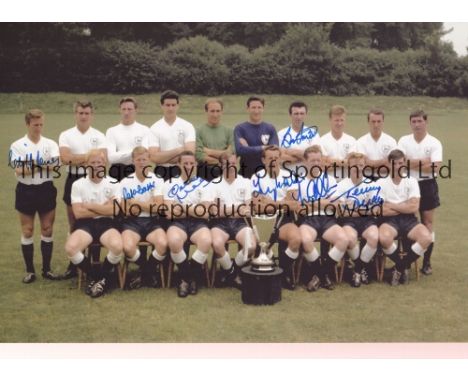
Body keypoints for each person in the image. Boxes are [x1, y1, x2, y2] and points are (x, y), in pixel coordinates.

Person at [9, 109, 61, 283]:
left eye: (41, 124)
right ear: (27, 124)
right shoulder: (17, 145)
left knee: (47, 228)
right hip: (26, 190)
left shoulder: (50, 144)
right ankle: (30, 271)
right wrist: (42, 163)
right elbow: (19, 170)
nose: (38, 128)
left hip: (45, 188)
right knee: (28, 230)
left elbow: (55, 167)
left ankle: (47, 269)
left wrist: (33, 164)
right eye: (35, 125)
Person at [59, 100, 108, 279]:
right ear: (75, 114)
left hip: (96, 179)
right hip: (73, 179)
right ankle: (74, 264)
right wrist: (90, 157)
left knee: (96, 216)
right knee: (75, 222)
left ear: (91, 115)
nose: (84, 116)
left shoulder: (99, 135)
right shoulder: (66, 135)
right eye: (80, 113)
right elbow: (65, 159)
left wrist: (79, 158)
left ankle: (94, 261)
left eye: (87, 113)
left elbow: (104, 159)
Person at [64, 149, 123, 298]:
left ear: (105, 164)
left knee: (117, 246)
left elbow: (115, 211)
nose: (96, 165)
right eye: (92, 162)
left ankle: (100, 277)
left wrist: (90, 206)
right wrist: (105, 207)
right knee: (71, 248)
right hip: (85, 224)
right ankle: (100, 277)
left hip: (107, 223)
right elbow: (78, 213)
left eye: (99, 162)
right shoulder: (78, 184)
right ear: (85, 165)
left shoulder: (114, 183)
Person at [290, 145, 349, 291]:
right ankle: (324, 276)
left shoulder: (330, 180)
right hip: (308, 219)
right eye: (312, 161)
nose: (316, 164)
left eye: (318, 160)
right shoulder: (299, 181)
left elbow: (334, 206)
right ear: (305, 162)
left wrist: (312, 203)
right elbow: (300, 208)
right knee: (305, 240)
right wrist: (323, 202)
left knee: (343, 239)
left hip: (328, 219)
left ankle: (320, 274)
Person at [376, 149, 432, 286]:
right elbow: (380, 210)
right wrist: (403, 205)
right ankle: (403, 267)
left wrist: (392, 205)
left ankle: (399, 268)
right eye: (394, 163)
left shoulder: (411, 181)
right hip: (389, 221)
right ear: (389, 164)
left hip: (409, 219)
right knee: (384, 238)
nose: (398, 166)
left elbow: (414, 207)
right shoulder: (381, 183)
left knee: (426, 237)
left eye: (401, 163)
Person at [398, 110, 442, 276]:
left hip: (427, 185)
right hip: (407, 185)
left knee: (427, 223)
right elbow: (399, 165)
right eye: (414, 121)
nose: (417, 124)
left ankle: (427, 262)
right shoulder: (403, 140)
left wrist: (410, 163)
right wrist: (424, 161)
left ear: (426, 122)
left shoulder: (434, 142)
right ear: (410, 123)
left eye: (419, 121)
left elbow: (435, 167)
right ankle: (409, 261)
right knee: (407, 221)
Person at [162, 151, 212, 297]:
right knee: (174, 241)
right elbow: (170, 213)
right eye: (185, 163)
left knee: (206, 240)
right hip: (178, 223)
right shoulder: (170, 184)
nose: (188, 166)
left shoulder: (204, 184)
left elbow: (205, 213)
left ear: (196, 164)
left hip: (198, 223)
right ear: (179, 164)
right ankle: (189, 278)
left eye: (191, 163)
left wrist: (182, 207)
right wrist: (194, 209)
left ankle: (186, 278)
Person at [251, 145, 301, 290]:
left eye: (276, 157)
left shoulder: (289, 176)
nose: (273, 161)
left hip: (284, 219)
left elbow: (293, 205)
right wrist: (282, 203)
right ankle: (249, 273)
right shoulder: (256, 177)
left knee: (296, 239)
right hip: (263, 220)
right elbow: (258, 207)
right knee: (252, 244)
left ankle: (283, 272)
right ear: (263, 160)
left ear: (280, 158)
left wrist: (269, 202)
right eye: (270, 158)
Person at [117, 147, 167, 289]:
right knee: (127, 247)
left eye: (144, 159)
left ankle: (144, 273)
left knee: (163, 244)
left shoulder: (157, 180)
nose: (142, 162)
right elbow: (125, 210)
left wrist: (135, 202)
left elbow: (158, 207)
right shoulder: (126, 182)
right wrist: (147, 204)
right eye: (138, 160)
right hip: (131, 222)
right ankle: (149, 271)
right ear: (133, 161)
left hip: (152, 221)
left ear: (149, 160)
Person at [332, 152, 380, 287]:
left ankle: (357, 270)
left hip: (368, 220)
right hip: (348, 221)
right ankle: (362, 269)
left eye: (361, 165)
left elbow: (376, 209)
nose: (358, 168)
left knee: (374, 237)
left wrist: (353, 208)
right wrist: (363, 208)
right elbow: (341, 211)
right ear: (349, 167)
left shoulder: (370, 184)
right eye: (355, 166)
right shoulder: (341, 185)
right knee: (351, 239)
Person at [209, 153, 256, 288]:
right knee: (217, 244)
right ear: (221, 165)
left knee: (251, 246)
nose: (230, 167)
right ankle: (233, 274)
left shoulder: (245, 182)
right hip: (220, 223)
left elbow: (248, 210)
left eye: (233, 164)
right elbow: (215, 213)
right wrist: (237, 207)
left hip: (241, 222)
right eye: (227, 164)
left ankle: (230, 269)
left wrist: (228, 210)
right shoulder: (214, 184)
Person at [149, 90, 196, 181]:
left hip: (182, 171)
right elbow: (154, 157)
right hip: (161, 172)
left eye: (173, 105)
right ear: (162, 106)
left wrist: (163, 157)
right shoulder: (154, 128)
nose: (170, 108)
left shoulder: (187, 126)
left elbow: (190, 154)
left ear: (178, 106)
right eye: (167, 105)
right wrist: (180, 150)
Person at [106, 97, 152, 182]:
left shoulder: (145, 130)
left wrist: (120, 155)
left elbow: (144, 154)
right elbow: (111, 158)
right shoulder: (111, 131)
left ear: (136, 110)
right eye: (124, 109)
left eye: (129, 109)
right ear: (120, 110)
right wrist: (134, 153)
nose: (126, 112)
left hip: (137, 170)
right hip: (117, 172)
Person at [234, 96, 279, 179]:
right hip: (245, 174)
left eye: (259, 107)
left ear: (263, 109)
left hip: (266, 174)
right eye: (253, 107)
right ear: (247, 109)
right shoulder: (240, 128)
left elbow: (273, 151)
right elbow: (240, 150)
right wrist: (263, 148)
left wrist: (249, 149)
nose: (256, 111)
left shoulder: (270, 128)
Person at [278, 100, 321, 178]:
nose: (299, 117)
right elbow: (280, 159)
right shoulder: (281, 134)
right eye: (296, 114)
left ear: (306, 115)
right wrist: (306, 157)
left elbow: (316, 156)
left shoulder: (313, 133)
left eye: (302, 113)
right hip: (286, 177)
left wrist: (290, 152)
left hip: (307, 177)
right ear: (290, 115)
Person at [195, 98, 233, 181]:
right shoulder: (198, 131)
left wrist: (208, 151)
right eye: (212, 111)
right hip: (204, 173)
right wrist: (221, 159)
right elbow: (199, 155)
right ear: (206, 112)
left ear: (222, 111)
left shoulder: (229, 131)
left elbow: (230, 153)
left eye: (218, 111)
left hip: (224, 173)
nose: (215, 114)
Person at [356, 109, 397, 180]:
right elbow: (361, 164)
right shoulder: (360, 141)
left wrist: (370, 165)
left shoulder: (391, 141)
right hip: (366, 179)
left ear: (383, 122)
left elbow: (392, 165)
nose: (376, 125)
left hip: (386, 179)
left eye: (379, 121)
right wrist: (385, 160)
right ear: (368, 122)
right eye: (373, 121)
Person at [320, 105, 357, 181]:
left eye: (342, 120)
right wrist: (345, 163)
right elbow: (322, 167)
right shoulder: (322, 140)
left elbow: (353, 163)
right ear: (330, 120)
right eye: (336, 120)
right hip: (327, 184)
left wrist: (329, 160)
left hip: (347, 184)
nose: (339, 123)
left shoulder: (352, 140)